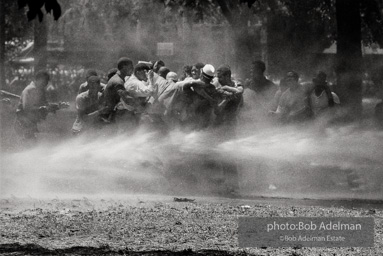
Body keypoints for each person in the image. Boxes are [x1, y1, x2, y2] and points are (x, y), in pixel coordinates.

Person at [15, 70, 63, 140]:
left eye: (47, 81)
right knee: (28, 143)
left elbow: (46, 105)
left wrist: (58, 106)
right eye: (45, 81)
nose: (46, 83)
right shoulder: (28, 90)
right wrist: (41, 108)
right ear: (38, 79)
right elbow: (26, 108)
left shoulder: (40, 91)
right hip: (23, 122)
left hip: (32, 122)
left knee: (33, 142)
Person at [101, 57, 134, 122]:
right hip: (114, 115)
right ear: (124, 67)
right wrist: (139, 106)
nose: (132, 69)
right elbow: (126, 98)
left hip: (113, 114)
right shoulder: (118, 81)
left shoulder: (118, 78)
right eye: (131, 67)